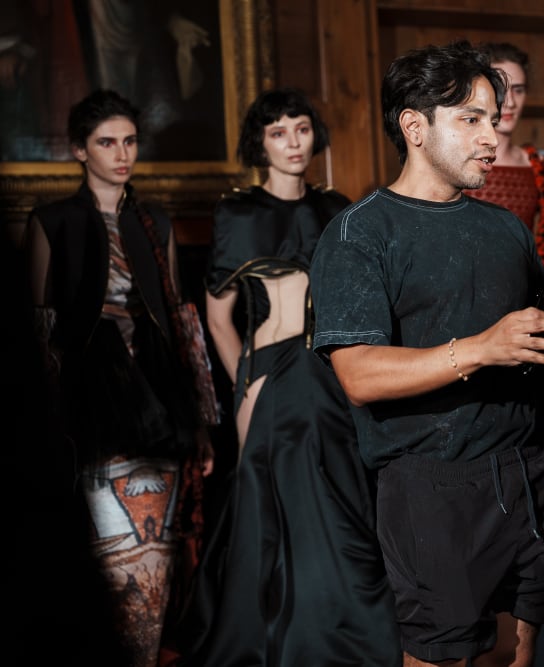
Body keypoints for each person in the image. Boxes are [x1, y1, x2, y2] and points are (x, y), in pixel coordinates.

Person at [309, 39, 544, 667]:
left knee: (520, 657)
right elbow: (359, 373)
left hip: (525, 471)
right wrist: (483, 348)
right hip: (430, 486)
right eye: (472, 119)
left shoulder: (502, 228)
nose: (493, 135)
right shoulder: (360, 233)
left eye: (495, 117)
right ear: (414, 127)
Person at [177, 87, 400, 665]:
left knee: (342, 499)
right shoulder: (237, 211)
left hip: (333, 373)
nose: (293, 142)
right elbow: (218, 319)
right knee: (273, 507)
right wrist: (243, 384)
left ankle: (338, 630)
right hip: (270, 376)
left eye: (301, 128)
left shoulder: (338, 208)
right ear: (261, 143)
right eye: (278, 132)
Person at [22, 88, 215, 667]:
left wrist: (203, 420)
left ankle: (148, 651)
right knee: (98, 552)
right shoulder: (53, 220)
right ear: (80, 151)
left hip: (160, 397)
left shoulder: (153, 220)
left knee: (155, 552)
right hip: (88, 401)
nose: (121, 153)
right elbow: (39, 325)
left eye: (130, 140)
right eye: (107, 142)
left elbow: (184, 321)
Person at [464, 41, 544, 291]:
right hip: (465, 308)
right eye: (501, 88)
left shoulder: (536, 165)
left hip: (523, 305)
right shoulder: (456, 163)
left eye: (519, 90)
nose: (510, 101)